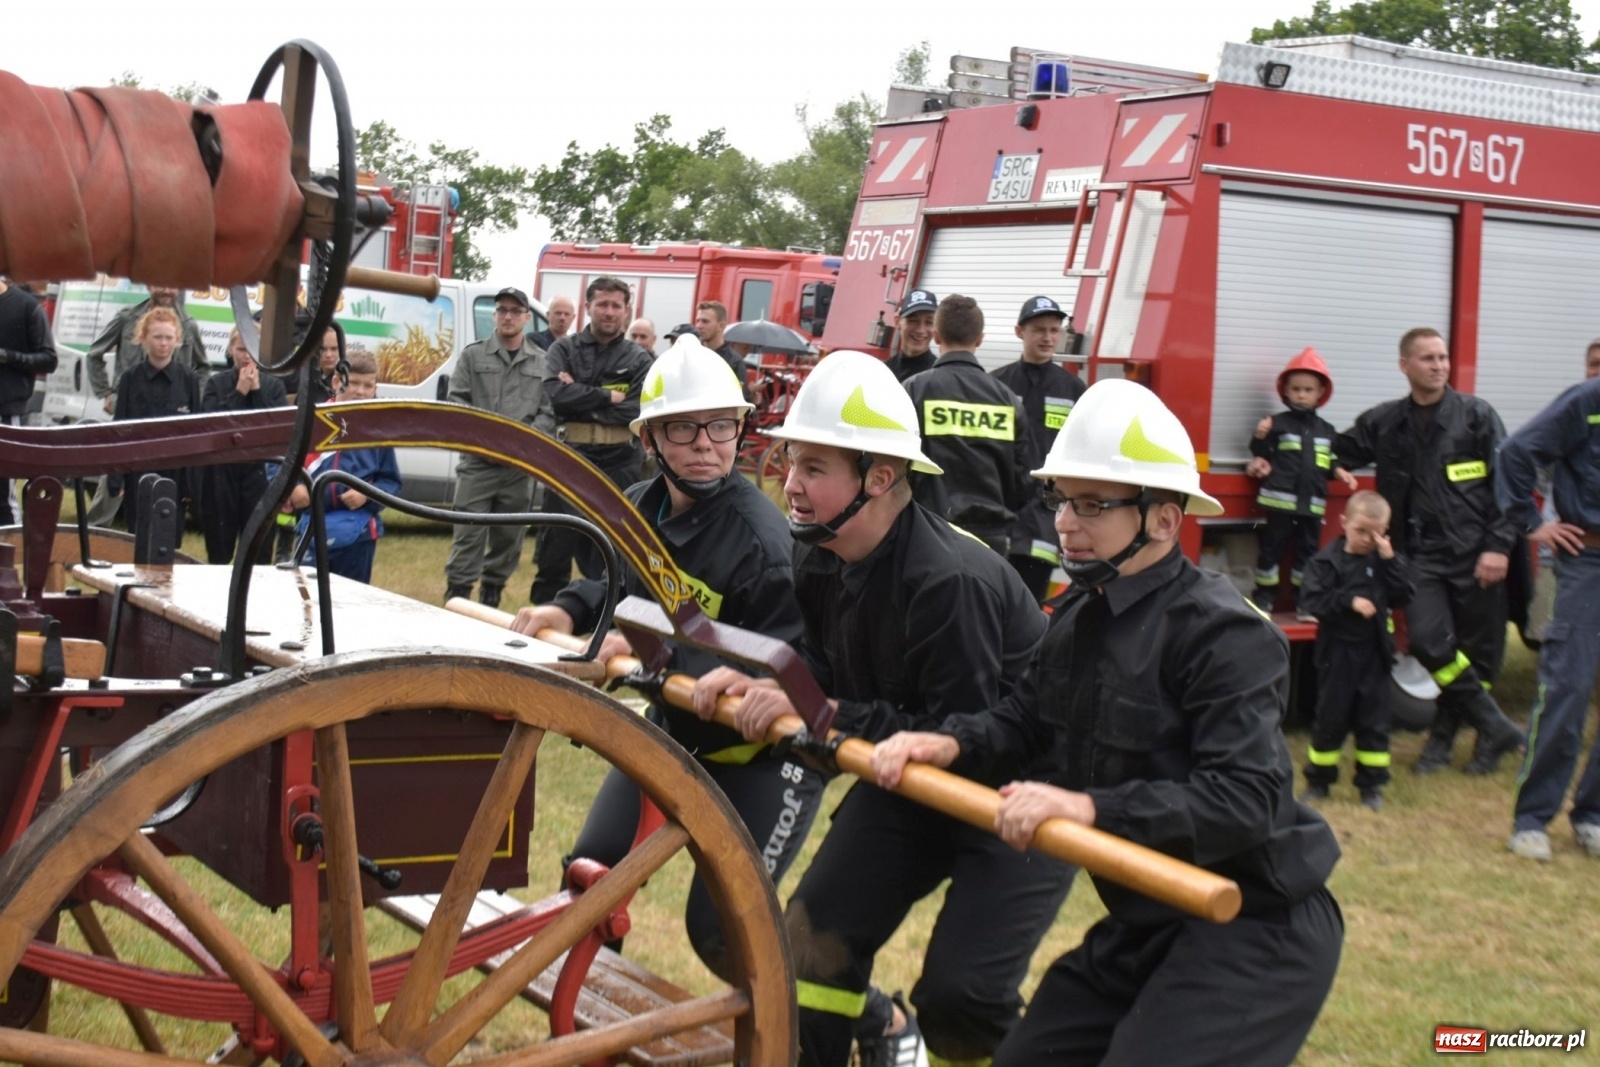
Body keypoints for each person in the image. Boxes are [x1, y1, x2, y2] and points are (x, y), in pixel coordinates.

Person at [871, 377, 1344, 1067]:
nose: (1065, 522)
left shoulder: (1226, 635)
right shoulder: (1077, 618)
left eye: (1092, 504)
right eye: (1061, 499)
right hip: (1148, 916)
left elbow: (1245, 801)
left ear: (1161, 518)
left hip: (1254, 923)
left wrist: (1087, 806)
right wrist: (948, 740)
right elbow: (1024, 723)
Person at [692, 351, 1072, 1067]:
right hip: (906, 780)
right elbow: (833, 679)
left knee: (962, 1001)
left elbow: (965, 737)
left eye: (813, 468)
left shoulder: (947, 580)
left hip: (1014, 800)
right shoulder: (820, 553)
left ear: (881, 477)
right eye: (790, 463)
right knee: (808, 945)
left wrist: (825, 709)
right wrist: (778, 684)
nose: (792, 486)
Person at [512, 335, 824, 976]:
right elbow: (618, 585)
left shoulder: (763, 544)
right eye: (684, 430)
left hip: (764, 760)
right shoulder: (639, 507)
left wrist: (662, 658)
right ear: (648, 440)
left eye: (721, 426)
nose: (707, 444)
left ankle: (860, 1023)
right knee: (589, 884)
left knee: (725, 936)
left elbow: (787, 665)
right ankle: (592, 1038)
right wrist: (569, 607)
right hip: (676, 735)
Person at [1335, 328, 1524, 776]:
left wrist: (1498, 548)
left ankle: (1448, 742)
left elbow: (1509, 486)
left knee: (1478, 654)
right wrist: (1273, 443)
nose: (1438, 365)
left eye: (1442, 357)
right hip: (1418, 557)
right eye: (1427, 358)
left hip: (1474, 552)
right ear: (1405, 365)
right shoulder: (1385, 421)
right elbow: (1332, 447)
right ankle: (1495, 725)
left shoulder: (1477, 416)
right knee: (1426, 641)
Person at [1496, 371, 1600, 861]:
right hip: (1588, 561)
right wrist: (1533, 523)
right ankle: (1532, 819)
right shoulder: (1587, 400)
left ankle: (1592, 816)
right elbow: (1516, 453)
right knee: (1569, 687)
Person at [532, 277, 653, 604]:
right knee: (555, 548)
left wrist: (580, 395)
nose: (609, 312)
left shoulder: (640, 359)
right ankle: (542, 617)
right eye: (602, 304)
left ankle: (602, 621)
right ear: (588, 307)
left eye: (616, 305)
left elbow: (638, 407)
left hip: (621, 465)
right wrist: (607, 396)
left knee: (612, 553)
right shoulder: (563, 349)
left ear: (627, 310)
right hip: (571, 460)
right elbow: (555, 395)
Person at [1298, 489, 1414, 810]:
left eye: (1376, 533)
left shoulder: (1383, 562)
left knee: (1374, 723)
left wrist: (1390, 559)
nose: (1367, 539)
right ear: (1344, 522)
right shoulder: (1326, 562)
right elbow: (1311, 600)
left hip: (1374, 655)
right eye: (1361, 531)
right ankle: (1318, 782)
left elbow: (1404, 593)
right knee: (1329, 720)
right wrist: (1348, 602)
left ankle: (1371, 786)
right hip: (1337, 655)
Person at [443, 287, 556, 608]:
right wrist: (483, 444)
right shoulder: (473, 356)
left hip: (518, 469)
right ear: (495, 315)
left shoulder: (542, 361)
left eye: (515, 311)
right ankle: (457, 595)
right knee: (468, 534)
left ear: (525, 317)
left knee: (509, 536)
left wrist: (524, 445)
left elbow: (548, 411)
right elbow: (458, 404)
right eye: (502, 310)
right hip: (478, 464)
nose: (508, 316)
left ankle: (492, 594)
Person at [901, 294, 1031, 554]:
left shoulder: (915, 390)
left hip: (928, 532)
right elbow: (1022, 480)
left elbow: (898, 466)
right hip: (991, 540)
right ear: (980, 339)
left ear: (936, 336)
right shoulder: (1007, 400)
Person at [1245, 347, 1360, 618]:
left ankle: (1305, 603)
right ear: (1285, 391)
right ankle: (1263, 599)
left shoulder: (1327, 431)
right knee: (1271, 550)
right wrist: (1260, 436)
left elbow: (1327, 462)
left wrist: (1340, 471)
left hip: (1312, 506)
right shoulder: (1277, 424)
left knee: (1308, 555)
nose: (1301, 394)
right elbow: (1261, 454)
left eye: (1308, 390)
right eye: (1295, 388)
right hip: (1280, 503)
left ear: (1320, 392)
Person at [84, 285, 208, 525]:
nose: (167, 290)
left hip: (172, 415)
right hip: (132, 409)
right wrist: (106, 392)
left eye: (172, 285)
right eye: (160, 284)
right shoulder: (127, 317)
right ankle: (95, 532)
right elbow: (94, 354)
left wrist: (193, 396)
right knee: (114, 480)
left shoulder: (188, 324)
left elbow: (203, 367)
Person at [991, 294, 1087, 600]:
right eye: (1039, 330)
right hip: (999, 511)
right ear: (1020, 332)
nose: (1048, 337)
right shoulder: (996, 384)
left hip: (1046, 518)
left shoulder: (1073, 389)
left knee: (1030, 602)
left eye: (1054, 330)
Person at [281, 348, 400, 584]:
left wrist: (368, 494)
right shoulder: (310, 420)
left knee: (351, 604)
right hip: (311, 527)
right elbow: (279, 464)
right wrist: (294, 487)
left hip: (360, 535)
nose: (360, 391)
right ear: (336, 382)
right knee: (307, 601)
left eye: (368, 386)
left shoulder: (379, 431)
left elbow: (391, 482)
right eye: (353, 383)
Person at [200, 328, 289, 564]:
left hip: (259, 471)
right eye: (241, 349)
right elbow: (213, 427)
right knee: (220, 548)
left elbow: (274, 428)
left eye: (252, 350)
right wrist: (239, 392)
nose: (247, 356)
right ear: (230, 350)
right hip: (223, 471)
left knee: (258, 549)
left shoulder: (274, 386)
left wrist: (257, 391)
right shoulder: (215, 384)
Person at [112, 308, 201, 528]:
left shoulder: (188, 378)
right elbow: (120, 428)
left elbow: (196, 431)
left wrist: (191, 484)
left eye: (169, 337)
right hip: (138, 470)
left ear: (177, 340)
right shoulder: (130, 378)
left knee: (167, 536)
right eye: (157, 337)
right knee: (139, 533)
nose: (163, 343)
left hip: (175, 472)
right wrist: (116, 478)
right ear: (143, 338)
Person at [0, 277, 57, 526]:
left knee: (3, 494)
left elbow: (48, 359)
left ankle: (12, 554)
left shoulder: (25, 307)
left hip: (6, 411)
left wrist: (7, 356)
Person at [885, 289, 937, 383]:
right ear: (897, 322)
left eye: (929, 322)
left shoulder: (939, 375)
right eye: (913, 320)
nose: (920, 330)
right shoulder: (883, 371)